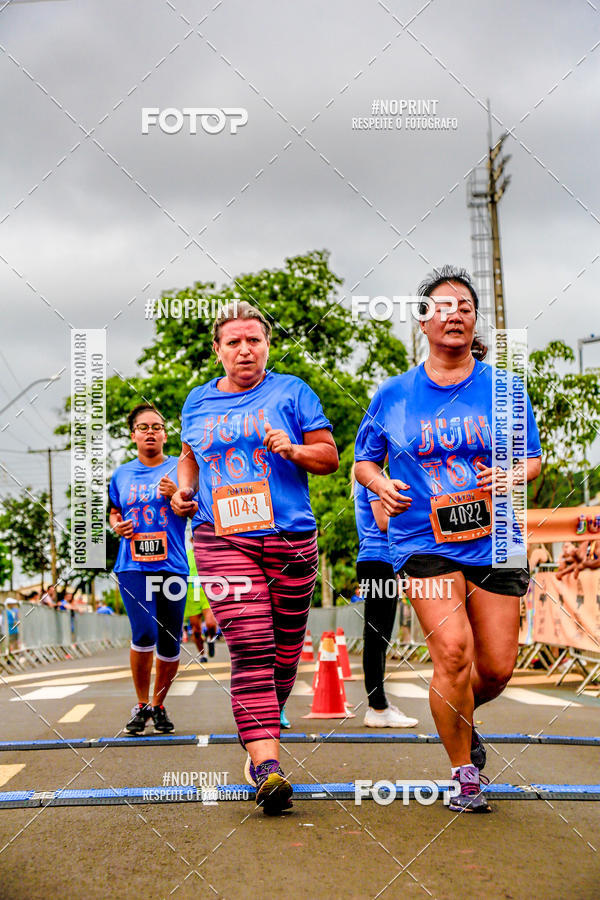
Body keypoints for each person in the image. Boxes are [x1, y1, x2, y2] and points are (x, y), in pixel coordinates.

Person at [355, 265, 542, 814]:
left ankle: (460, 716)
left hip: (497, 538)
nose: (455, 314)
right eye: (442, 307)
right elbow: (364, 461)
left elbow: (533, 460)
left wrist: (508, 476)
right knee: (454, 652)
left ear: (476, 320)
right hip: (423, 540)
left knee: (497, 669)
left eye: (465, 306)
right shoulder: (394, 394)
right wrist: (381, 486)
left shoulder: (505, 389)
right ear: (423, 322)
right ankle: (463, 772)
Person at [172, 300, 338, 814]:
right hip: (221, 537)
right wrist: (184, 492)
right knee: (250, 644)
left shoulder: (293, 391)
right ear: (217, 350)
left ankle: (260, 730)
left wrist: (294, 450)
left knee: (285, 654)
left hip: (290, 537)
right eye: (234, 342)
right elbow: (189, 458)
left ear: (267, 345)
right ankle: (267, 765)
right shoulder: (197, 401)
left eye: (254, 340)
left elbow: (329, 457)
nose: (245, 349)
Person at [109, 403, 190, 735]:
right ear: (133, 435)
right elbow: (114, 511)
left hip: (172, 565)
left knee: (170, 641)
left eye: (157, 427)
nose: (150, 432)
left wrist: (177, 495)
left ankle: (158, 705)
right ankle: (141, 704)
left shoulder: (181, 468)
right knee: (144, 632)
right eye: (143, 427)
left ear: (165, 434)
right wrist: (117, 525)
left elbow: (197, 510)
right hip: (133, 565)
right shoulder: (121, 475)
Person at [351, 463, 418, 729]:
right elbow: (383, 522)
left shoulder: (374, 477)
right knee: (377, 636)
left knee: (378, 637)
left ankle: (379, 704)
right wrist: (418, 520)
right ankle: (377, 707)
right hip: (378, 561)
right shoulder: (374, 478)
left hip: (378, 561)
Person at [185, 543, 217, 662]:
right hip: (191, 596)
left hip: (206, 593)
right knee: (196, 631)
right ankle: (202, 654)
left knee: (211, 623)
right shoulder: (186, 555)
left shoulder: (209, 554)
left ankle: (211, 639)